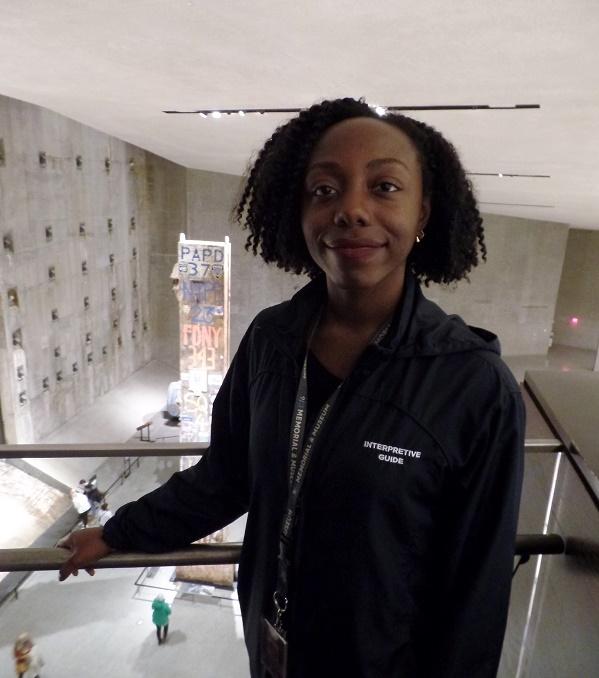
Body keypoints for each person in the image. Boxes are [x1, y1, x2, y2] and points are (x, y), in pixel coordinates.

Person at [58, 97, 525, 677]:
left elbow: (473, 598)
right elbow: (226, 478)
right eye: (324, 190)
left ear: (424, 212)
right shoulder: (272, 339)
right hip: (272, 649)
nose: (351, 210)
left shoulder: (473, 386)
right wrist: (118, 532)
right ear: (296, 210)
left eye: (384, 187)